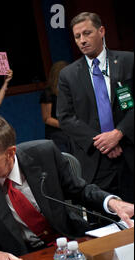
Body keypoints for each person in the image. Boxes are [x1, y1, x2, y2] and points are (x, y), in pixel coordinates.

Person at [0, 114, 134, 260]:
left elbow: (80, 191)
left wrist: (113, 203)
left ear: (10, 153)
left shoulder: (44, 153)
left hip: (71, 244)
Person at [57, 12, 134, 204]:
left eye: (87, 33)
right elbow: (65, 117)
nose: (82, 40)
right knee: (105, 221)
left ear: (101, 31)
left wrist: (118, 134)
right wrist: (102, 142)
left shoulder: (128, 61)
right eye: (77, 37)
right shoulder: (68, 75)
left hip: (129, 151)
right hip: (95, 160)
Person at [39, 61, 71, 153]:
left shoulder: (68, 90)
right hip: (57, 134)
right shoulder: (48, 93)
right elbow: (46, 118)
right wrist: (65, 125)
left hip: (71, 132)